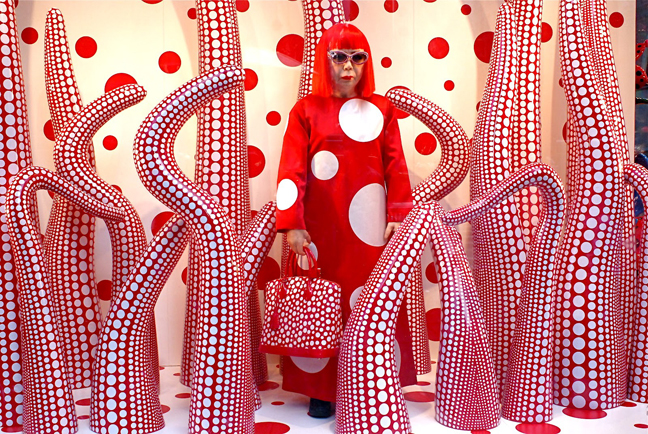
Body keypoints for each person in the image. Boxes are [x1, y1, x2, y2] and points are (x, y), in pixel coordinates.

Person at [275, 22, 416, 419]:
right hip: (320, 224)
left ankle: (373, 379)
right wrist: (293, 222)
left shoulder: (383, 109)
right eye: (339, 57)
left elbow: (396, 166)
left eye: (357, 57)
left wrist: (398, 214)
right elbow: (292, 169)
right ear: (326, 61)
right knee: (319, 303)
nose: (348, 66)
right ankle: (321, 387)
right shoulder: (305, 110)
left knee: (369, 300)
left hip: (369, 225)